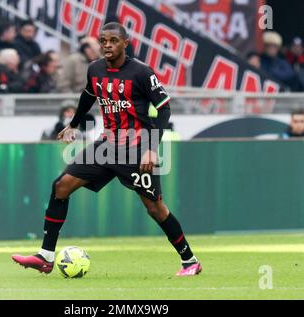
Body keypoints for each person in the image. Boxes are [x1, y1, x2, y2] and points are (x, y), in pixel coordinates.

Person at [12, 22, 202, 277]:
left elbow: (164, 108)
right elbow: (88, 96)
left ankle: (190, 261)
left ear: (126, 43)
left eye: (113, 40)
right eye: (103, 41)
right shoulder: (95, 69)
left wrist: (151, 148)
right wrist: (74, 124)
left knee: (155, 208)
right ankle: (46, 256)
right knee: (61, 186)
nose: (108, 45)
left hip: (136, 148)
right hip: (106, 145)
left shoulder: (142, 73)